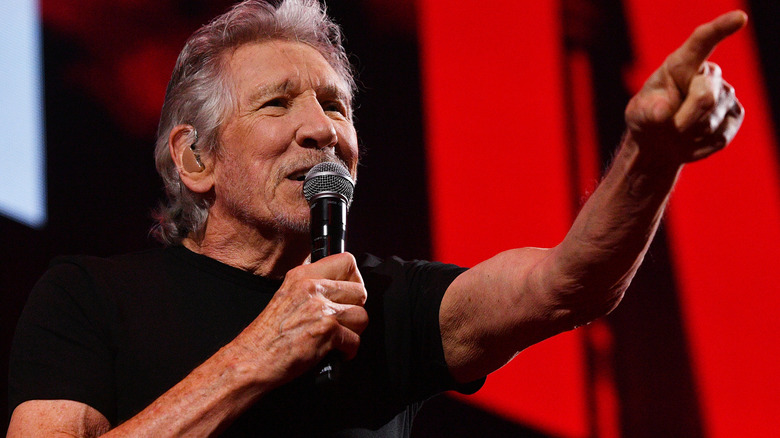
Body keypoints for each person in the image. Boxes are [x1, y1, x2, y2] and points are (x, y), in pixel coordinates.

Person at [7, 0, 746, 436]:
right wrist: (254, 358)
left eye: (335, 107)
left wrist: (651, 156)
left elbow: (566, 284)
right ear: (196, 159)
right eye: (278, 103)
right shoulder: (88, 298)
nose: (322, 130)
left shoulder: (387, 305)